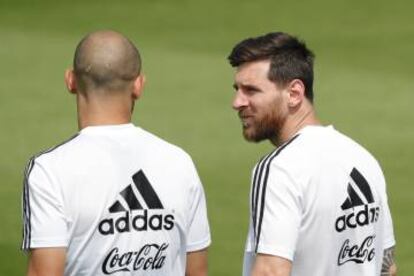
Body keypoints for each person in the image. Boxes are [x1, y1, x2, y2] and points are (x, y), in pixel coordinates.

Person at [21, 30, 211, 276]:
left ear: (70, 81)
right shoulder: (179, 162)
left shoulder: (48, 170)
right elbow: (197, 272)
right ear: (139, 85)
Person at [228, 32, 396, 276]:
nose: (237, 102)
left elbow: (271, 272)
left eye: (251, 90)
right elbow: (386, 266)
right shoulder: (363, 158)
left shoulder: (280, 168)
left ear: (294, 93)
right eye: (237, 89)